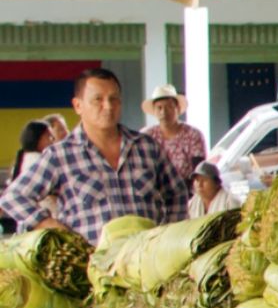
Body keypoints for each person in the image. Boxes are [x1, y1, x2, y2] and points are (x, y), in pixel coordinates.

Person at [0, 68, 189, 241]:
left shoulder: (147, 147)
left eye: (114, 99)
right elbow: (13, 197)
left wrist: (166, 236)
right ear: (78, 105)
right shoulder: (61, 155)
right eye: (98, 99)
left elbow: (177, 193)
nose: (108, 106)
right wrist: (48, 224)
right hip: (88, 269)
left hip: (145, 268)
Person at [142, 83, 203, 184]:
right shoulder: (146, 136)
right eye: (159, 108)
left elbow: (199, 171)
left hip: (187, 193)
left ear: (178, 109)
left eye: (169, 107)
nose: (164, 112)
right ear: (154, 111)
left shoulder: (193, 135)